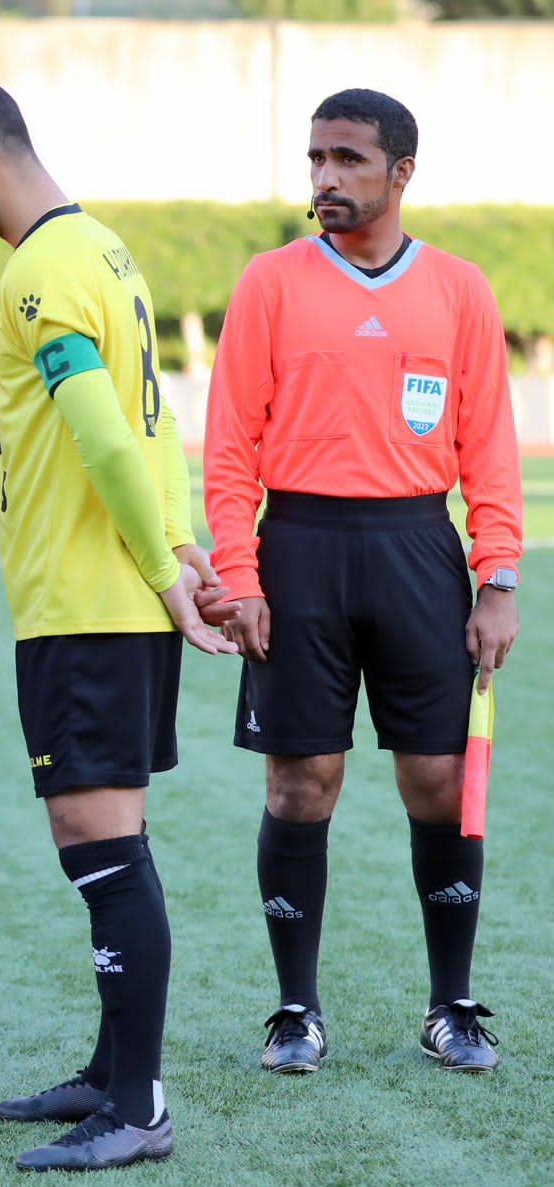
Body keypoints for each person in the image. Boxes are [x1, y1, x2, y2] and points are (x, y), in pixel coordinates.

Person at [0, 71, 238, 1171]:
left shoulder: (38, 272)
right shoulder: (102, 249)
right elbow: (152, 415)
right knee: (106, 842)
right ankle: (109, 1070)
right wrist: (182, 549)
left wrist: (159, 564)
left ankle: (135, 1107)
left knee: (101, 850)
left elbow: (101, 429)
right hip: (114, 594)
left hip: (86, 603)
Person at [203, 89, 522, 1077]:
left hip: (417, 550)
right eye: (315, 159)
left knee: (436, 782)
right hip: (298, 547)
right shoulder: (269, 282)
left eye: (346, 159)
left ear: (401, 172)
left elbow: (489, 447)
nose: (325, 179)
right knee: (302, 783)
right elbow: (228, 447)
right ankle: (295, 1009)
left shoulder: (459, 290)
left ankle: (450, 1004)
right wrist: (239, 569)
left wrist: (496, 574)